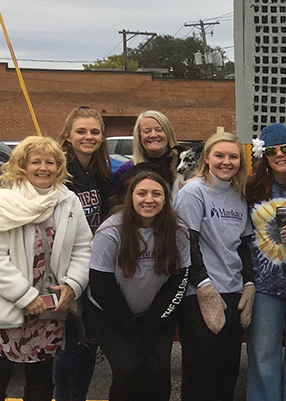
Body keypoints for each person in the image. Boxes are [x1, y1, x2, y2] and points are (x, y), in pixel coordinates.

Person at [0, 136, 94, 401]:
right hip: (8, 305)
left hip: (50, 309)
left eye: (50, 162)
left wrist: (73, 285)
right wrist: (25, 297)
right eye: (35, 161)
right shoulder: (2, 202)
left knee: (40, 381)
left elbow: (83, 248)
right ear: (21, 166)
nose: (43, 168)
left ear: (58, 166)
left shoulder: (68, 201)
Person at [86, 171, 191, 401]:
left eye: (156, 194)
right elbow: (101, 284)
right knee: (128, 369)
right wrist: (132, 329)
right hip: (111, 313)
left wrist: (154, 322)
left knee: (157, 368)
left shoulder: (179, 231)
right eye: (141, 193)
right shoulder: (111, 230)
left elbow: (179, 279)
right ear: (131, 196)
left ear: (166, 199)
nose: (149, 199)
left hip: (155, 313)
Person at [175, 131, 255, 401]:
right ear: (207, 158)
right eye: (219, 155)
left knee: (227, 371)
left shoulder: (238, 195)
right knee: (201, 374)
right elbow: (187, 243)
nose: (226, 162)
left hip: (233, 292)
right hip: (201, 295)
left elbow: (243, 245)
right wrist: (204, 285)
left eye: (233, 157)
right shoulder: (193, 192)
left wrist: (249, 282)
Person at [243, 124, 286, 401]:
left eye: (285, 148)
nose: (280, 155)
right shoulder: (251, 188)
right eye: (272, 150)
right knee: (262, 355)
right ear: (264, 155)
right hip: (264, 285)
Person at [54, 106, 111, 401]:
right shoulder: (59, 171)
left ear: (102, 137)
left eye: (94, 132)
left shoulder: (100, 173)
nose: (88, 137)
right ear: (68, 135)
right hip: (65, 270)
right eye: (81, 131)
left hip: (93, 267)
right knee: (69, 347)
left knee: (89, 344)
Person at [112, 110, 182, 202]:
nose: (153, 135)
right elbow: (113, 203)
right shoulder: (126, 171)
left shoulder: (183, 167)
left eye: (159, 130)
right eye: (147, 131)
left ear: (168, 134)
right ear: (139, 137)